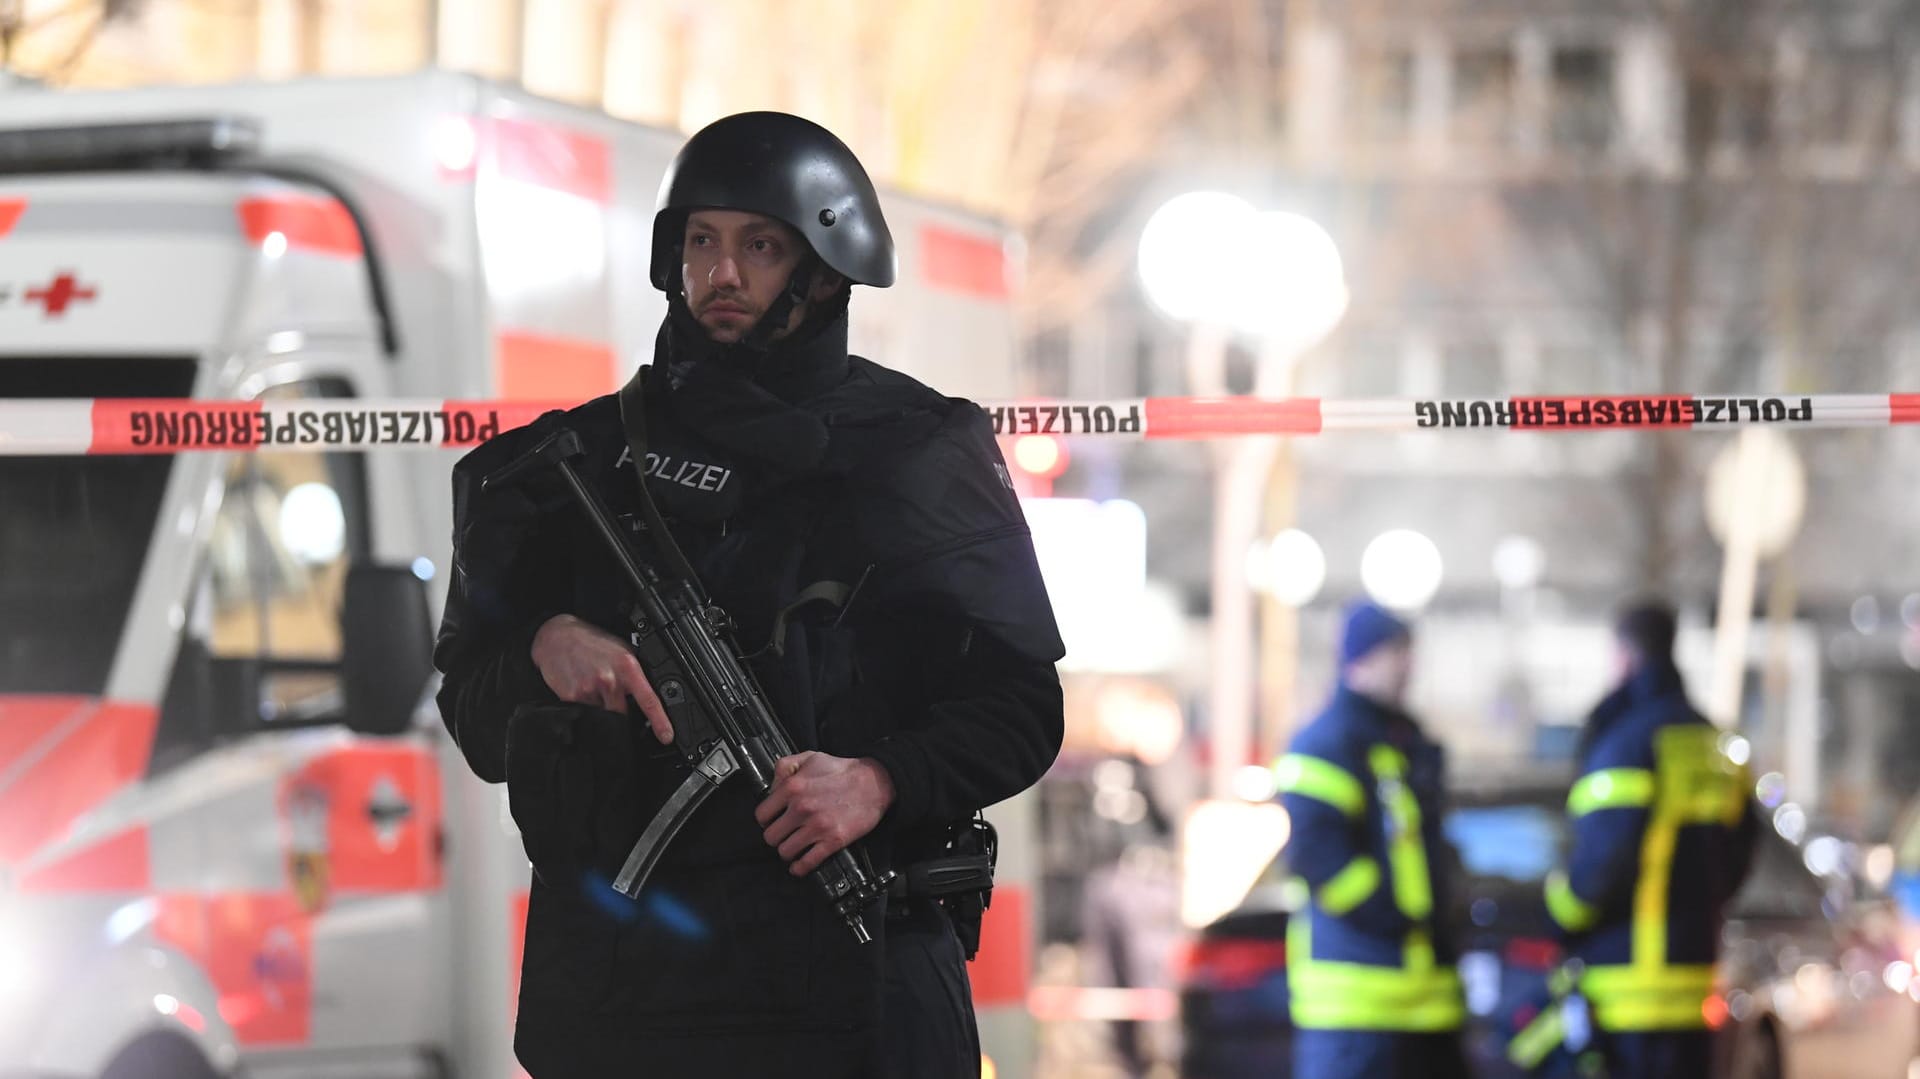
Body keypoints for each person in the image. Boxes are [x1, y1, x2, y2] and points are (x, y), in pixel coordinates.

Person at [432, 111, 1066, 1078]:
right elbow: (475, 718)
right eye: (700, 242)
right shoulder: (571, 469)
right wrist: (540, 648)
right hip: (627, 1002)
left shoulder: (917, 452)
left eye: (759, 246)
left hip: (855, 988)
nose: (720, 275)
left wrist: (879, 779)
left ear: (823, 267)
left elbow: (1024, 711)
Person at [1542, 602, 1757, 1078]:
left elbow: (1600, 866)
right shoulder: (1715, 746)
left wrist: (1558, 920)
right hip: (1696, 979)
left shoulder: (1624, 744)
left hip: (1626, 991)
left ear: (1622, 656)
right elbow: (1740, 856)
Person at [1272, 600, 1469, 1079]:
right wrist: (1393, 919)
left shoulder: (1402, 742)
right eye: (1397, 652)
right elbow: (1318, 856)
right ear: (1361, 660)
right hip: (1354, 1004)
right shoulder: (1326, 743)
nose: (1409, 666)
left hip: (1425, 1001)